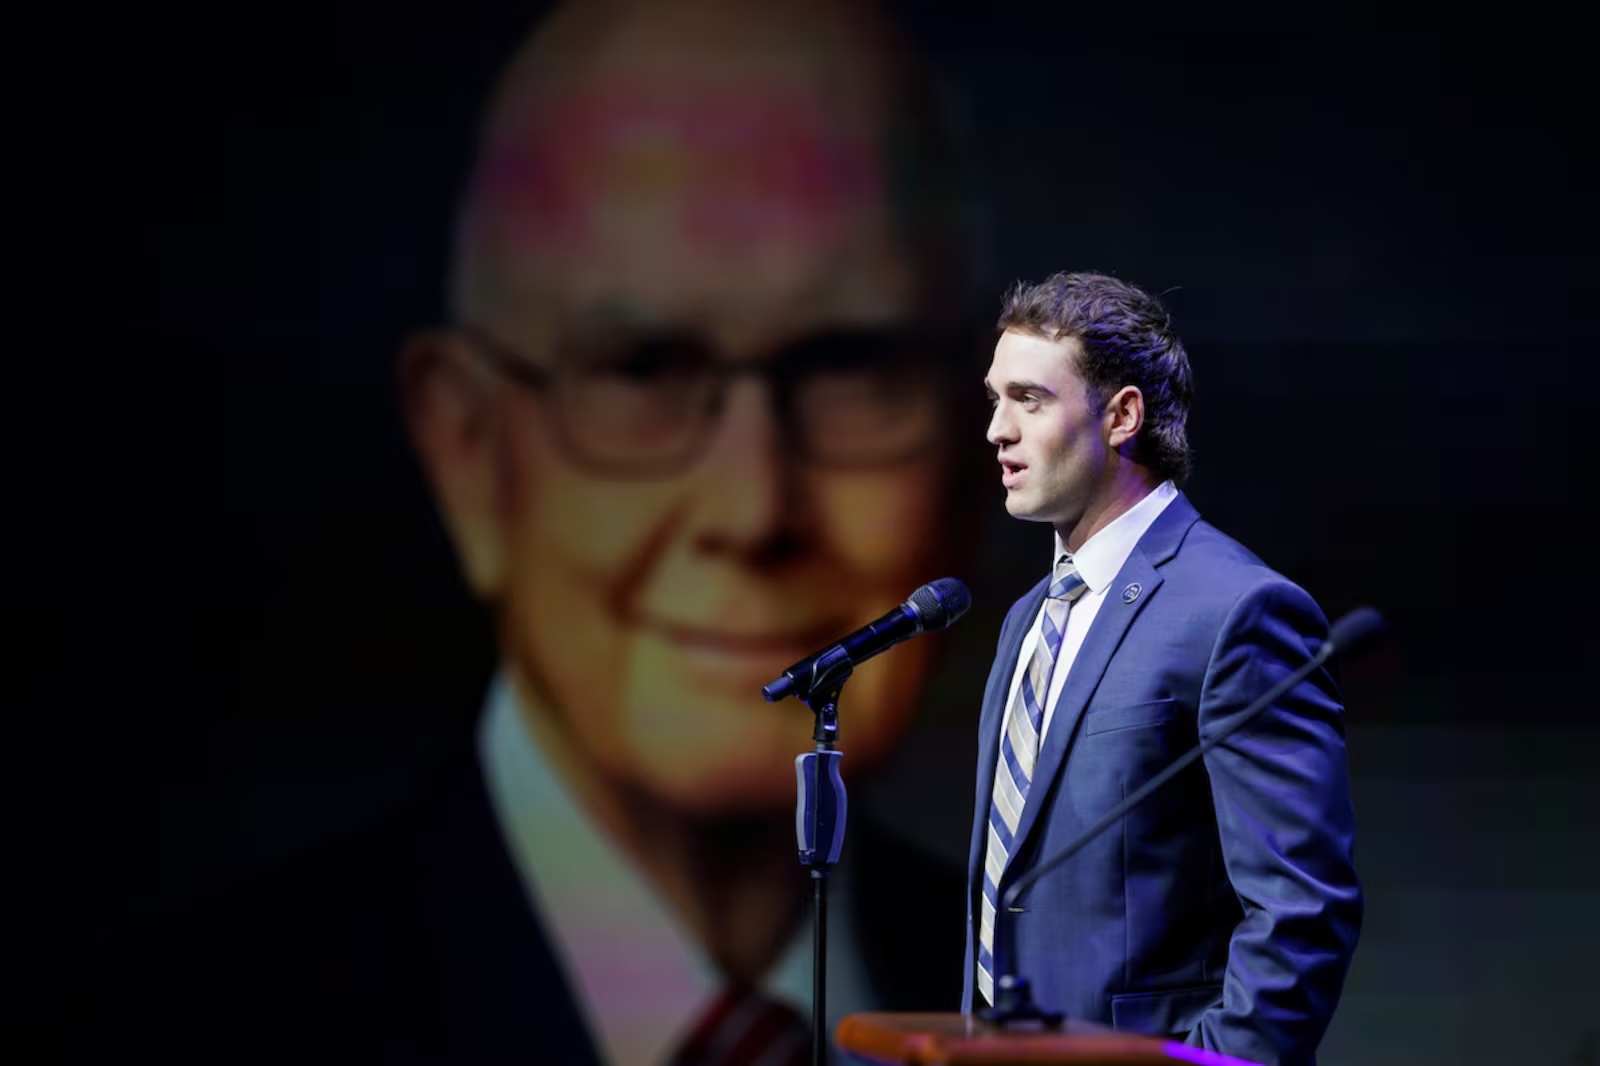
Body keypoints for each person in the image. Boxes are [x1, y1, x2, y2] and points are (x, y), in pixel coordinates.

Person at [67, 2, 981, 1065]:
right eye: (639, 368)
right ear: (468, 456)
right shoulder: (167, 1038)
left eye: (850, 367)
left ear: (977, 442)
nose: (753, 509)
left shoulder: (1105, 1012)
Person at [964, 272, 1362, 1065]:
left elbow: (1301, 914)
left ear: (1122, 416)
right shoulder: (1026, 620)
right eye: (993, 399)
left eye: (1029, 400)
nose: (996, 431)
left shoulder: (1236, 612)